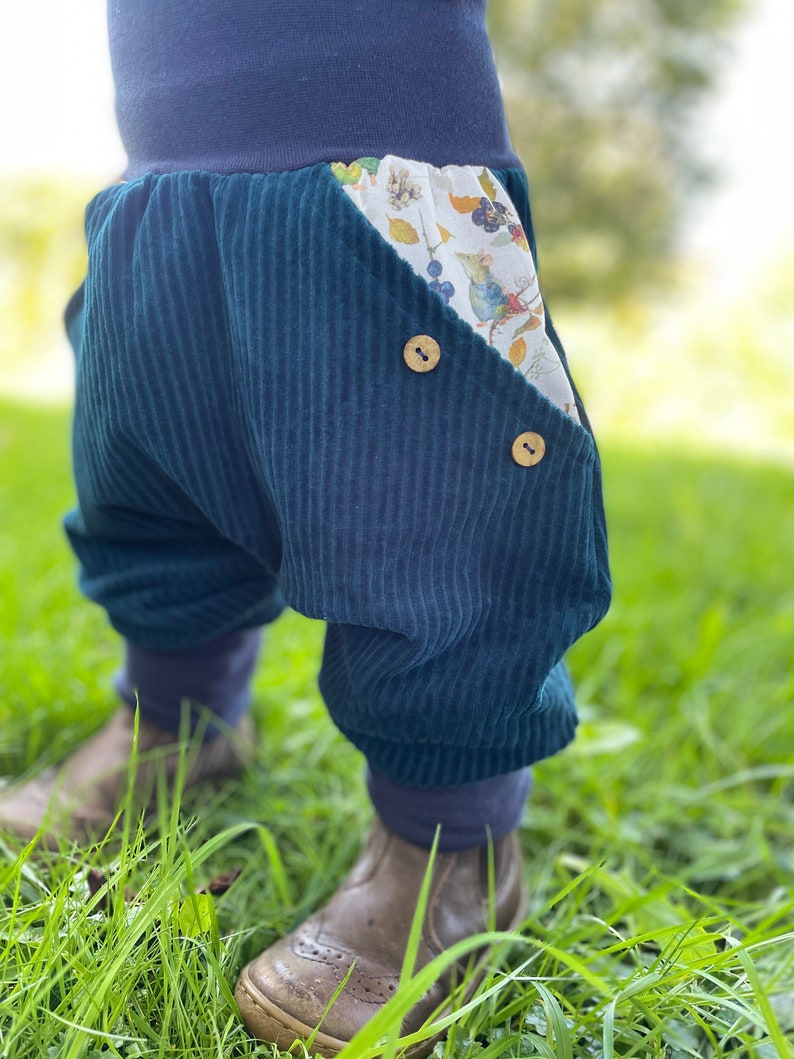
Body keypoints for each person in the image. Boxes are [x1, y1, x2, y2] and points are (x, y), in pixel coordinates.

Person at [0, 1, 611, 1053]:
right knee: (147, 473)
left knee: (428, 511)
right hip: (161, 180)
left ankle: (449, 843)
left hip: (385, 176)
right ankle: (177, 723)